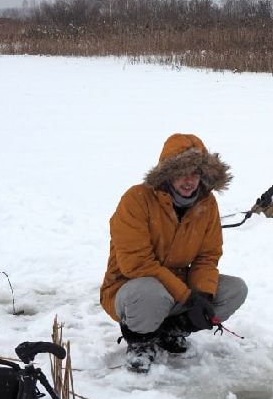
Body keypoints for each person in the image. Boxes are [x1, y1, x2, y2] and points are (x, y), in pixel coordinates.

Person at [100, 133, 248, 372]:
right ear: (167, 173)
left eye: (195, 173)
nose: (189, 181)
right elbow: (137, 264)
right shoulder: (136, 200)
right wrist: (188, 297)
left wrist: (203, 295)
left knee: (235, 290)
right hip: (131, 287)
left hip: (176, 289)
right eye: (181, 173)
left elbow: (206, 257)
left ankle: (171, 331)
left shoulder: (207, 204)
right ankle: (141, 342)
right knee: (149, 292)